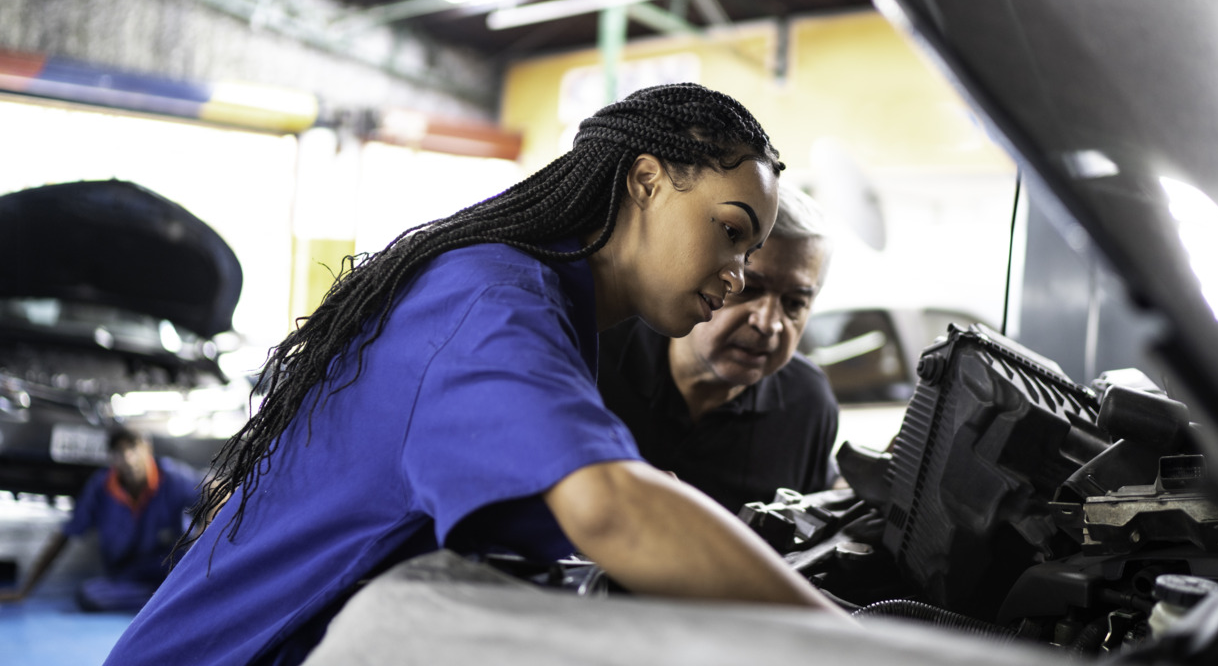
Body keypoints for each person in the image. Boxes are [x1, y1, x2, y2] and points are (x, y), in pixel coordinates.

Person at [103, 83, 845, 666]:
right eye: (732, 232)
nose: (739, 274)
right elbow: (610, 508)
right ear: (645, 182)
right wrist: (852, 645)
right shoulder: (492, 303)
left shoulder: (545, 306)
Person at [598, 184, 838, 514]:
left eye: (794, 303)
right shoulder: (593, 353)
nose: (769, 324)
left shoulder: (808, 402)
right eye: (748, 288)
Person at [0, 428, 201, 611]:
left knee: (193, 564)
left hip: (172, 564)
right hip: (128, 574)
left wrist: (204, 535)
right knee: (91, 595)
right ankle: (168, 598)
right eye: (119, 452)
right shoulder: (100, 487)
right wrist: (25, 590)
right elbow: (64, 536)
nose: (128, 459)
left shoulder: (172, 476)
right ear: (111, 457)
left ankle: (170, 595)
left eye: (133, 448)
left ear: (147, 448)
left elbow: (218, 490)